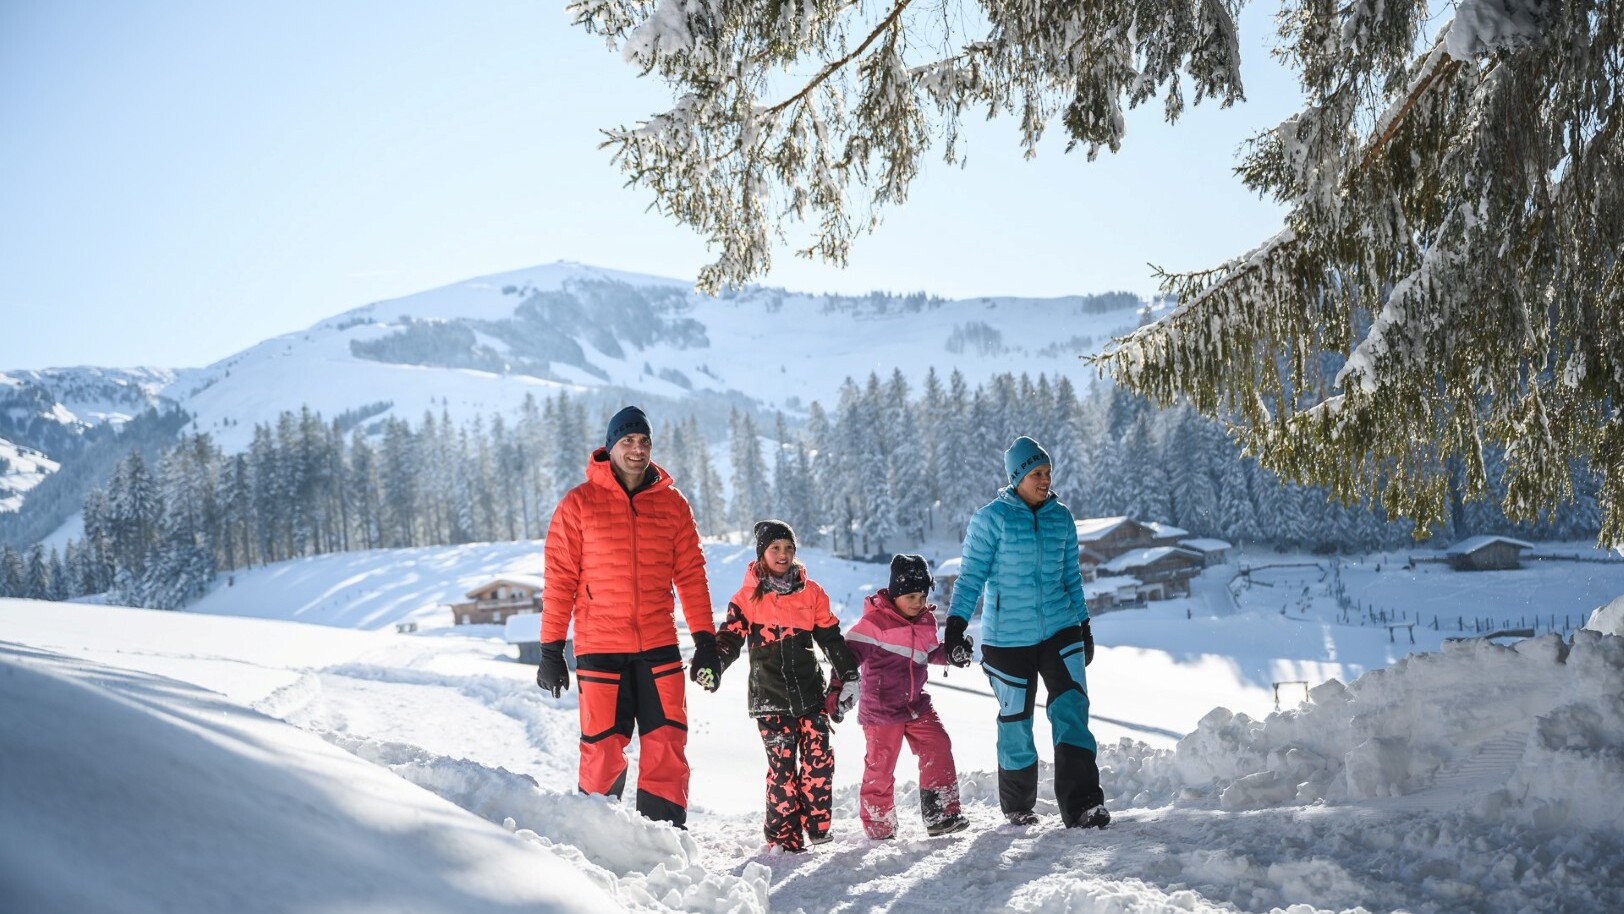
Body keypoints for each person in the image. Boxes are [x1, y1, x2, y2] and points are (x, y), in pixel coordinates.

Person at [536, 406, 723, 829]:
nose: (637, 449)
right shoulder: (578, 503)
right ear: (610, 446)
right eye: (628, 441)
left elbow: (692, 576)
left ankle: (664, 837)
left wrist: (705, 642)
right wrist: (550, 649)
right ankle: (599, 838)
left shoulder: (673, 504)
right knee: (602, 748)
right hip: (600, 647)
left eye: (644, 441)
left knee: (667, 742)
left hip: (659, 645)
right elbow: (559, 581)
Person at [945, 436, 1109, 829]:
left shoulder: (1061, 517)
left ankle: (1084, 804)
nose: (1045, 479)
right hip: (1007, 637)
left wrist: (1084, 625)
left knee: (1072, 709)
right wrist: (955, 626)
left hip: (1060, 627)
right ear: (1017, 477)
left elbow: (1071, 576)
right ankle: (1018, 806)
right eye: (1037, 473)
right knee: (1016, 719)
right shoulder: (991, 519)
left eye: (1048, 472)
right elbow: (970, 578)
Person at [715, 519, 860, 852]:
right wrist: (714, 665)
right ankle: (783, 838)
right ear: (761, 553)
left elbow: (831, 638)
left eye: (789, 548)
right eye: (775, 548)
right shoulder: (746, 597)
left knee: (819, 759)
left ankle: (818, 826)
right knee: (782, 770)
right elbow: (729, 639)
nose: (783, 554)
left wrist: (849, 674)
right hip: (770, 698)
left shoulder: (812, 593)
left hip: (810, 693)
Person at [843, 553, 969, 840]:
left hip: (915, 703)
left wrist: (951, 654)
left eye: (922, 596)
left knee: (938, 743)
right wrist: (840, 686)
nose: (918, 602)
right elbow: (847, 656)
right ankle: (879, 825)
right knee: (881, 766)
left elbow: (930, 652)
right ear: (895, 593)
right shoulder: (876, 622)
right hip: (882, 709)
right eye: (910, 596)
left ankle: (941, 814)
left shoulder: (926, 621)